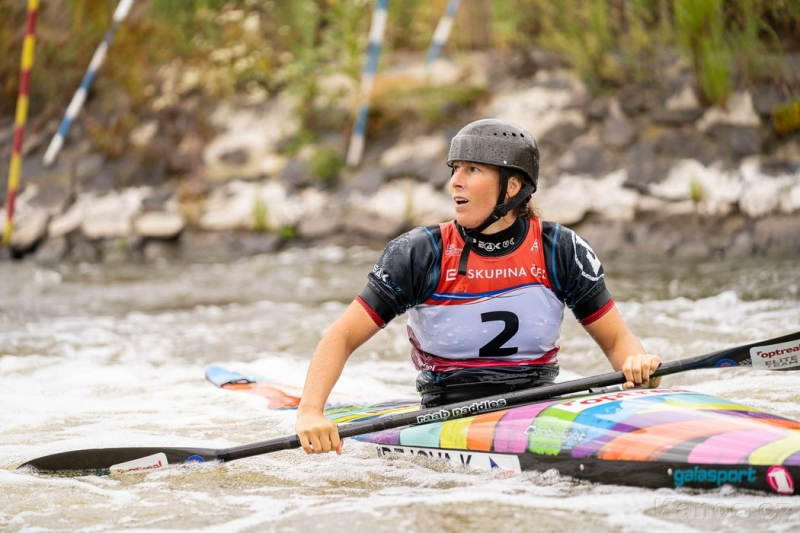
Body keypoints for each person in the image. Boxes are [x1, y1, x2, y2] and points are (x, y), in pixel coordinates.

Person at [295, 118, 662, 455]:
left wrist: (637, 365)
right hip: (446, 412)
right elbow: (340, 337)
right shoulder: (421, 253)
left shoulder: (559, 250)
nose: (455, 181)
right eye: (456, 169)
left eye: (473, 170)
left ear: (512, 186)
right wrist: (311, 412)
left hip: (541, 406)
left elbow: (616, 341)